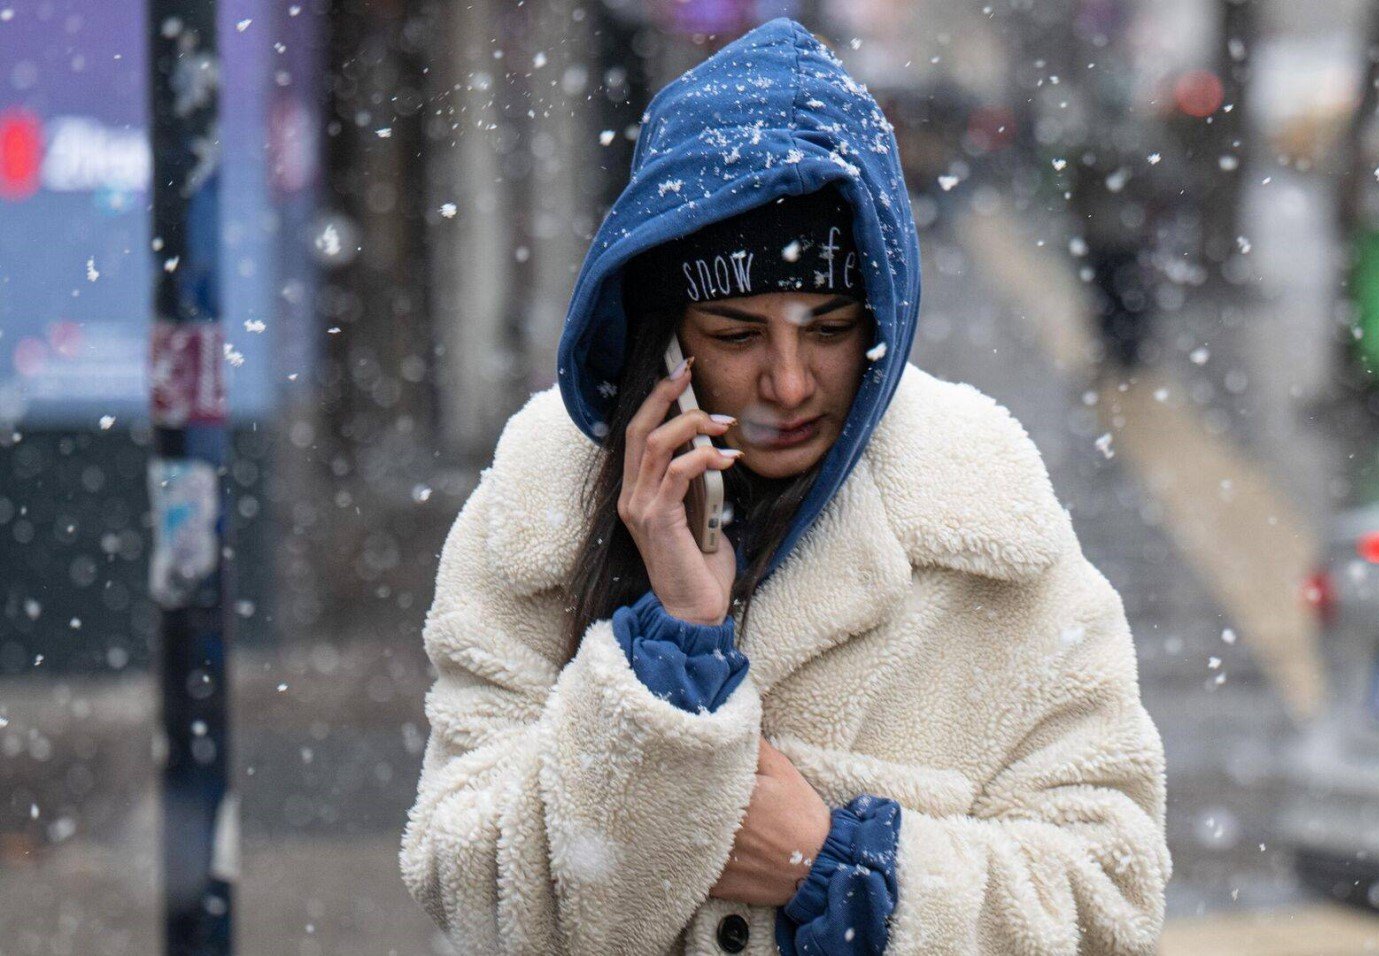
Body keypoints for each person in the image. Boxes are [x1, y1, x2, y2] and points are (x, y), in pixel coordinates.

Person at [400, 19, 1170, 955]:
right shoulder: (537, 520)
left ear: (880, 317)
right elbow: (478, 896)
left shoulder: (988, 526)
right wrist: (670, 655)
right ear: (667, 333)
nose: (791, 383)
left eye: (832, 328)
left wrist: (840, 868)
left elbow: (1113, 901)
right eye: (735, 336)